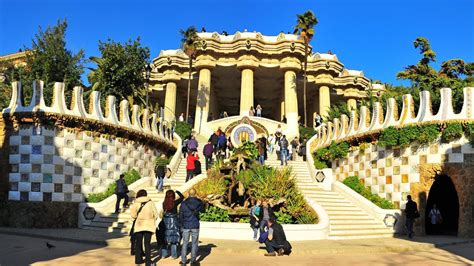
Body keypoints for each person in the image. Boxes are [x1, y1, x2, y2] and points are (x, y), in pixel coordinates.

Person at [130, 189, 158, 265]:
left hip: (139, 224)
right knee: (147, 244)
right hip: (148, 225)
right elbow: (156, 214)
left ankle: (138, 260)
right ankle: (148, 262)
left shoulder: (135, 203)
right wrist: (152, 219)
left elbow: (133, 215)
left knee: (138, 243)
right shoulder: (150, 203)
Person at [179, 188, 203, 265]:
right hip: (195, 224)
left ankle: (183, 261)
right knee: (194, 243)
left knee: (185, 243)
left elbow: (181, 215)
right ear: (195, 194)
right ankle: (193, 261)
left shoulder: (183, 203)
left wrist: (182, 224)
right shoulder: (199, 202)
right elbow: (203, 210)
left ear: (188, 194)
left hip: (186, 225)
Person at [161, 190, 184, 259]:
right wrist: (177, 191)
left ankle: (164, 254)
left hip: (165, 221)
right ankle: (173, 255)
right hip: (174, 221)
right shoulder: (175, 203)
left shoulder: (164, 203)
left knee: (164, 238)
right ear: (173, 196)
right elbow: (182, 197)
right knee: (174, 238)